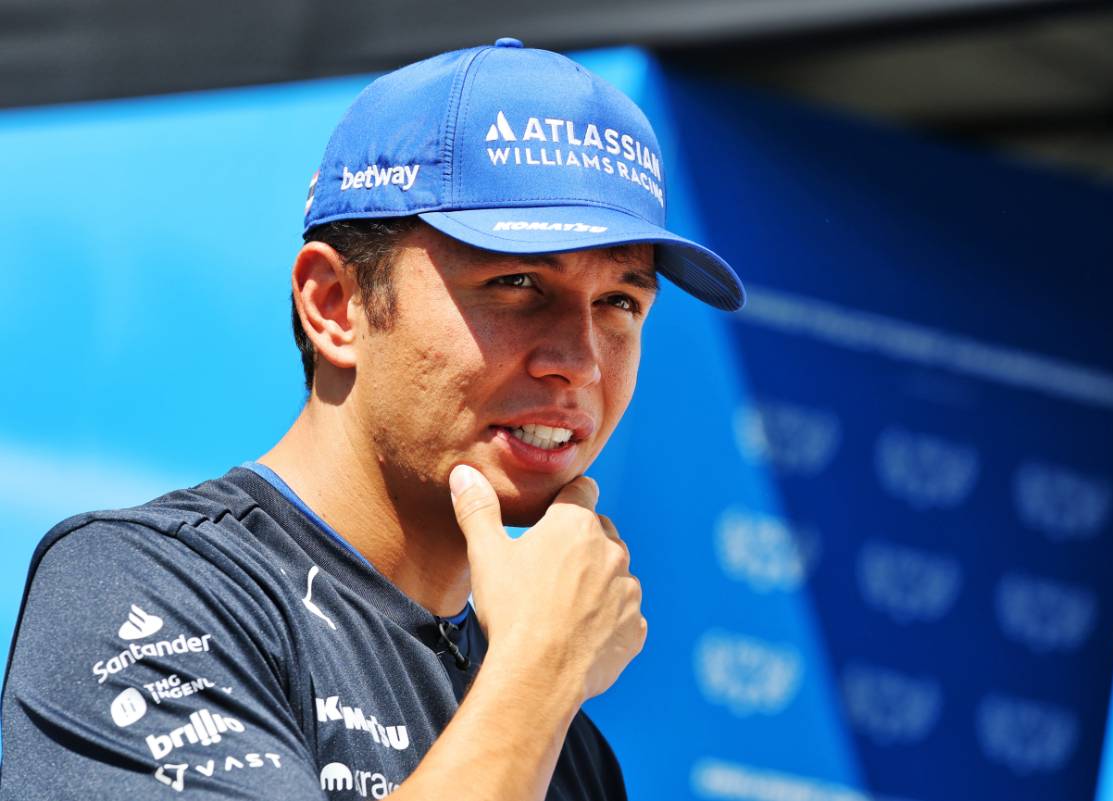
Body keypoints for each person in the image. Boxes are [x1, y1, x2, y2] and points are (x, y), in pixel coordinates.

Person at [0, 38, 744, 800]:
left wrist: (534, 683)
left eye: (620, 301)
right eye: (518, 282)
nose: (580, 361)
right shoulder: (138, 588)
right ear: (336, 306)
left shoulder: (564, 744)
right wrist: (541, 670)